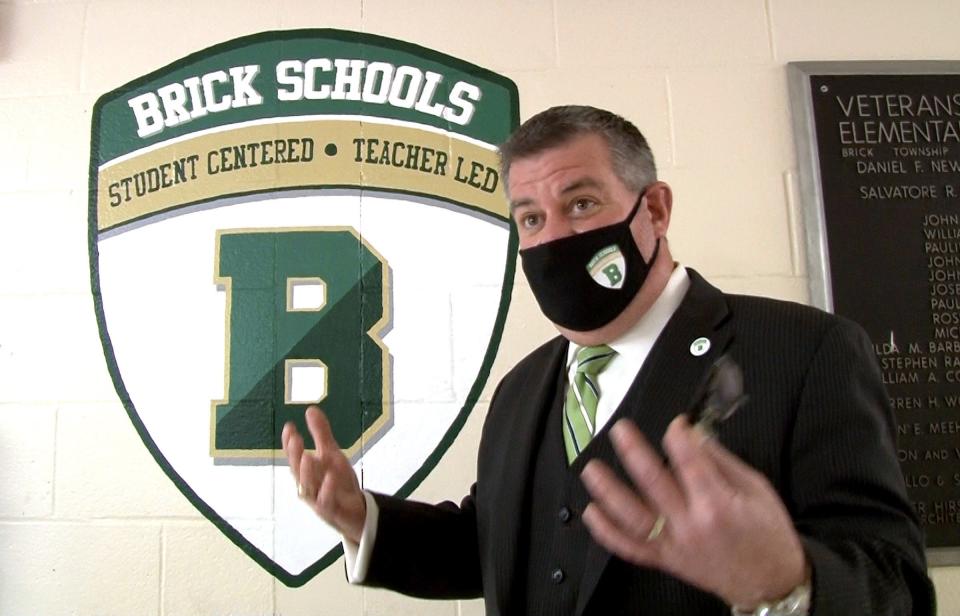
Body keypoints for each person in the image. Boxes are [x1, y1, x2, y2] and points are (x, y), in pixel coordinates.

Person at [282, 106, 934, 615]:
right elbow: (494, 544)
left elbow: (895, 585)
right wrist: (362, 518)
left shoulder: (804, 352)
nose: (554, 237)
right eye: (531, 218)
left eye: (582, 204)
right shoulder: (520, 388)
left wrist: (788, 583)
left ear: (653, 208)